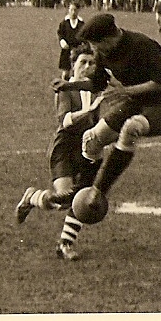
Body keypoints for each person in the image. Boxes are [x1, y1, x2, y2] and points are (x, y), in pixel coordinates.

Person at [52, 13, 161, 215]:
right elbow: (97, 84)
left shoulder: (143, 45)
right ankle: (79, 193)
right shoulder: (104, 52)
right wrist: (69, 85)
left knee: (131, 128)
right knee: (91, 139)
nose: (94, 50)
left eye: (96, 45)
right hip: (134, 103)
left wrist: (126, 91)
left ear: (109, 39)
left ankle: (98, 191)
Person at [16, 44, 105, 260]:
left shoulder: (97, 90)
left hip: (88, 148)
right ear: (73, 65)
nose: (87, 67)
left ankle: (65, 244)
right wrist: (88, 111)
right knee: (63, 199)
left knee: (82, 196)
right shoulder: (65, 88)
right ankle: (32, 197)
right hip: (65, 147)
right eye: (83, 62)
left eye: (92, 63)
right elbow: (65, 120)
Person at [57, 0, 85, 79]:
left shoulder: (81, 24)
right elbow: (60, 34)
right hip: (66, 50)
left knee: (76, 72)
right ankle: (63, 84)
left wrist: (82, 45)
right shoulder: (64, 23)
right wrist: (62, 41)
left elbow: (84, 36)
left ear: (78, 11)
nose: (73, 12)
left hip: (77, 50)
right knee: (65, 73)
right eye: (71, 10)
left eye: (75, 10)